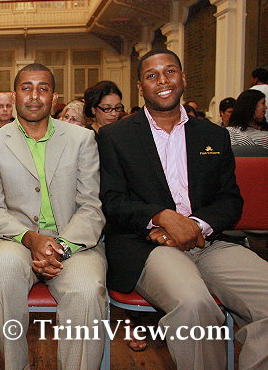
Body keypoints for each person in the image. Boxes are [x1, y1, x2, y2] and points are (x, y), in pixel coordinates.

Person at [98, 48, 268, 370]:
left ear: (183, 78)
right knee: (193, 304)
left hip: (209, 242)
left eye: (170, 71)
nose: (162, 80)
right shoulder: (115, 137)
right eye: (152, 75)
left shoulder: (213, 135)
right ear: (140, 87)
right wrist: (161, 217)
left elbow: (230, 200)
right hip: (147, 247)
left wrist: (195, 225)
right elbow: (112, 201)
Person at [0, 63, 106, 370]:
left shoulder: (82, 139)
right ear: (14, 95)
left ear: (54, 97)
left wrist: (61, 246)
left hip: (74, 241)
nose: (34, 96)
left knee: (86, 290)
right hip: (14, 238)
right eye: (26, 88)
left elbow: (91, 206)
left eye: (43, 89)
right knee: (1, 274)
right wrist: (30, 238)